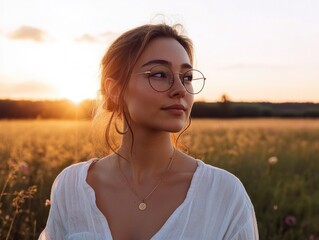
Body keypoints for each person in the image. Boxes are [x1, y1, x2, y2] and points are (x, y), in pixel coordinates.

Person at [39, 23, 259, 240]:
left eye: (187, 77)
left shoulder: (224, 194)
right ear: (115, 90)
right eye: (160, 74)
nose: (181, 89)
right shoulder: (71, 187)